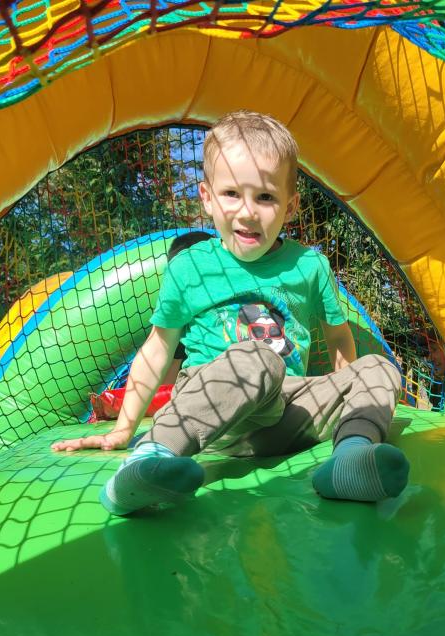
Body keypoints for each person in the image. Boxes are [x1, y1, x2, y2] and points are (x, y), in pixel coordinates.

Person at [52, 110, 409, 515]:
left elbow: (339, 338)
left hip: (284, 412)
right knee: (259, 358)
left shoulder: (309, 266)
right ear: (207, 197)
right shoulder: (191, 266)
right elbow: (157, 348)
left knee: (379, 368)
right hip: (209, 406)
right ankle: (148, 460)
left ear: (291, 205)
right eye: (231, 194)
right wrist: (124, 429)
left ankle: (350, 460)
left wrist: (344, 389)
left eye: (265, 197)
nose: (248, 211)